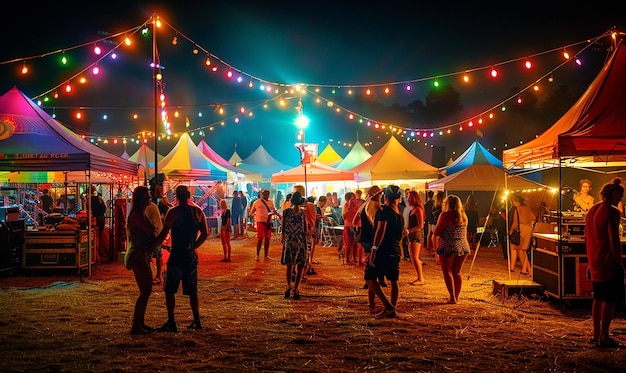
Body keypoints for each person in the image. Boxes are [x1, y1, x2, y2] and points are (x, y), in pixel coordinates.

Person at [151, 185, 208, 332]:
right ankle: (196, 320)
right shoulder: (198, 211)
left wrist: (151, 245)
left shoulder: (173, 212)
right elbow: (205, 233)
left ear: (176, 196)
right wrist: (195, 245)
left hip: (177, 255)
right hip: (190, 256)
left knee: (170, 290)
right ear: (189, 195)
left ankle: (171, 321)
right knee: (192, 290)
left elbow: (164, 233)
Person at [585, 177, 625, 348]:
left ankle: (596, 334)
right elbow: (614, 241)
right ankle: (604, 337)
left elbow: (588, 237)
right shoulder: (612, 212)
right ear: (615, 194)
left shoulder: (592, 210)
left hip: (594, 260)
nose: (621, 200)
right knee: (609, 300)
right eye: (620, 196)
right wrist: (620, 263)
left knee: (598, 298)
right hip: (608, 261)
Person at [365, 185, 404, 319]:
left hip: (383, 250)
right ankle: (392, 308)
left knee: (370, 278)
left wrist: (374, 249)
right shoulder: (399, 214)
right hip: (395, 249)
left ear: (386, 197)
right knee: (394, 280)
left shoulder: (383, 210)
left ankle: (388, 306)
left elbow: (380, 229)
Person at [124, 186, 156, 335]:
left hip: (141, 254)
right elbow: (149, 234)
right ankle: (136, 325)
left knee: (146, 290)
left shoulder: (140, 214)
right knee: (145, 290)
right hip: (138, 255)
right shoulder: (137, 215)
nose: (149, 199)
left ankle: (140, 323)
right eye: (147, 196)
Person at [433, 194, 471, 304]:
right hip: (463, 245)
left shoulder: (445, 215)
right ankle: (456, 296)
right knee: (457, 272)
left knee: (447, 272)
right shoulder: (464, 216)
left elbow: (437, 232)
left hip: (448, 246)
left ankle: (452, 297)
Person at [358, 186, 385, 313]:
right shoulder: (375, 206)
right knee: (373, 264)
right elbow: (378, 225)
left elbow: (354, 220)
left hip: (364, 238)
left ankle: (369, 281)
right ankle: (371, 283)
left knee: (370, 262)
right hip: (372, 238)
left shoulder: (364, 206)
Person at [281, 191, 308, 300]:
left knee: (289, 265)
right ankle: (296, 288)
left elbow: (283, 227)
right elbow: (305, 229)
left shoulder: (286, 212)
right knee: (300, 266)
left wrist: (284, 237)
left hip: (289, 240)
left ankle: (288, 286)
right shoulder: (302, 213)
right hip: (300, 241)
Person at [509, 193, 535, 276]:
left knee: (521, 250)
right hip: (529, 229)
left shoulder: (518, 209)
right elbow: (533, 217)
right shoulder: (527, 208)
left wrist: (511, 231)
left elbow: (515, 222)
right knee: (524, 250)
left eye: (513, 201)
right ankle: (526, 270)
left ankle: (529, 270)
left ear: (516, 201)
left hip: (522, 229)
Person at [249, 189, 278, 260]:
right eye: (264, 194)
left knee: (267, 238)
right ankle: (257, 255)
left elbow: (273, 210)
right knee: (260, 237)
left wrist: (278, 215)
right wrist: (255, 216)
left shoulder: (271, 202)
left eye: (267, 194)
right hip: (260, 221)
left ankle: (266, 255)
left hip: (268, 222)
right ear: (261, 194)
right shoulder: (256, 202)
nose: (266, 195)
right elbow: (251, 213)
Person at [404, 190, 426, 285]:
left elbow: (420, 225)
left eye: (411, 197)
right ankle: (419, 277)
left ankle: (420, 278)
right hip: (411, 234)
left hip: (416, 235)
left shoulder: (418, 209)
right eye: (408, 197)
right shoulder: (412, 209)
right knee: (413, 257)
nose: (409, 199)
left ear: (415, 198)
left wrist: (409, 231)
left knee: (415, 257)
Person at [144, 194, 164, 285]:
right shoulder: (153, 206)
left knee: (155, 254)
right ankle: (156, 275)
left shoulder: (148, 207)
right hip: (157, 232)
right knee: (157, 254)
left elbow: (148, 222)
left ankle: (157, 276)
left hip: (154, 234)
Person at [342, 191, 359, 264]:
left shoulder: (356, 206)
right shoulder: (346, 206)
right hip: (348, 226)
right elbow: (344, 216)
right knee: (348, 243)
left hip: (355, 226)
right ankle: (347, 259)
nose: (356, 200)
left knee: (355, 243)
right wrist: (349, 207)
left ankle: (354, 257)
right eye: (354, 198)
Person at [432, 191, 445, 264]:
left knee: (437, 242)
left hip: (435, 223)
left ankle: (437, 258)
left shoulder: (435, 205)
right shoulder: (442, 207)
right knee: (439, 242)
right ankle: (438, 258)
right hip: (439, 224)